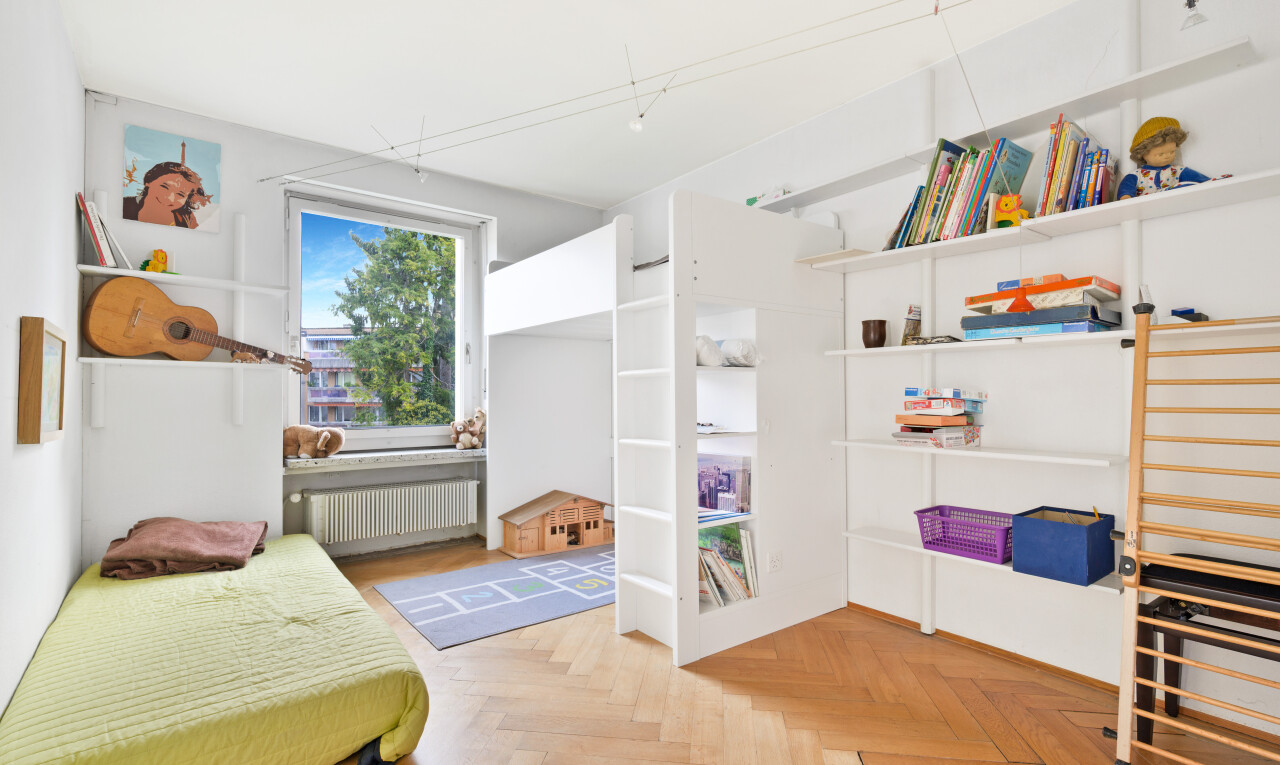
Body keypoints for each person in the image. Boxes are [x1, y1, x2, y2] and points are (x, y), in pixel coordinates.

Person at [1117, 117, 1211, 200]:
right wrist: (1126, 196)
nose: (1167, 156)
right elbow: (1126, 189)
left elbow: (1204, 181)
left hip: (1174, 200)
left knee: (1186, 186)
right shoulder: (1137, 175)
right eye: (1160, 154)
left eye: (1172, 152)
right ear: (1143, 153)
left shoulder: (1178, 171)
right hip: (1147, 205)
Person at [123, 161, 212, 228]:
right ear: (149, 181)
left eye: (180, 194)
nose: (170, 198)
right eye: (164, 187)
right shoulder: (123, 205)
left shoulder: (188, 219)